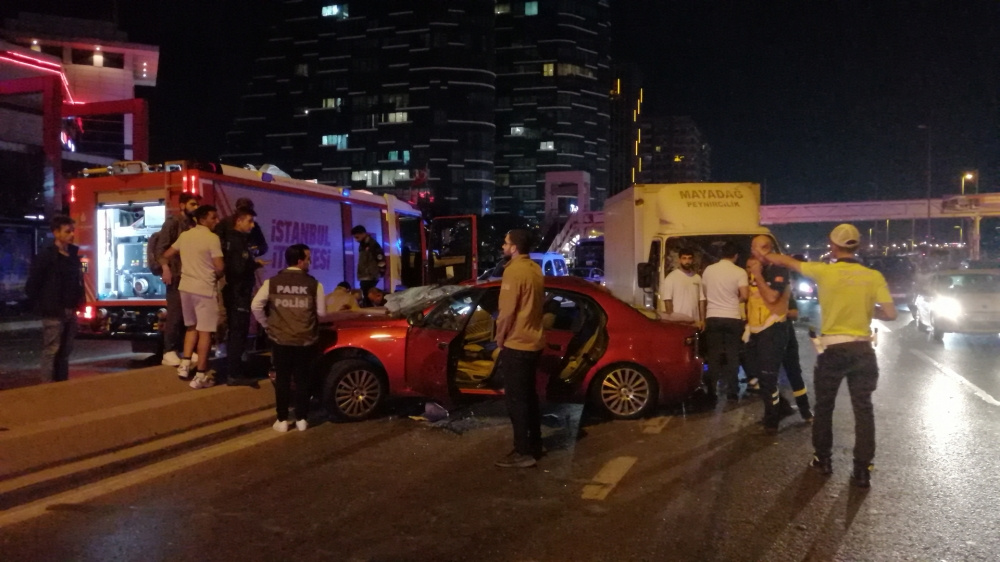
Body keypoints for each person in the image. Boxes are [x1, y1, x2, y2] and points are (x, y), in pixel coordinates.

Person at [761, 223, 896, 488]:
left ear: (833, 246)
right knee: (863, 409)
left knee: (824, 407)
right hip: (862, 350)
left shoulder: (823, 271)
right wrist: (867, 309)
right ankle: (862, 470)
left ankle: (823, 460)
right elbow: (891, 313)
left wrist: (765, 255)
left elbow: (787, 261)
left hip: (833, 350)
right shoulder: (873, 276)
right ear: (857, 246)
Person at [251, 244, 324, 432]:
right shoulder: (314, 284)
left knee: (282, 378)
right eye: (308, 258)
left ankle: (282, 420)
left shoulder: (272, 282)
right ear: (300, 261)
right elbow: (322, 313)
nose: (309, 262)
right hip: (306, 339)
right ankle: (302, 419)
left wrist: (267, 325)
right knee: (302, 378)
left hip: (280, 339)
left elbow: (256, 306)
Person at [493, 229, 545, 469]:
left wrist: (499, 339)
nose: (503, 246)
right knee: (529, 397)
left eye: (506, 243)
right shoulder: (535, 269)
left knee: (516, 401)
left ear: (514, 247)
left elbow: (506, 313)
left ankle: (523, 451)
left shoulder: (513, 272)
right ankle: (534, 444)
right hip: (534, 341)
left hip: (517, 343)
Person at [160, 205, 224, 389]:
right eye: (213, 217)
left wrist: (166, 268)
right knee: (205, 332)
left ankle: (185, 364)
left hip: (185, 288)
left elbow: (165, 255)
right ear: (203, 219)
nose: (216, 221)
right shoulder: (212, 238)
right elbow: (219, 266)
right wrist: (216, 274)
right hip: (204, 289)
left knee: (191, 327)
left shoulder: (185, 236)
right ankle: (201, 374)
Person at [25, 215, 84, 383]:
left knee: (65, 352)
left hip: (70, 310)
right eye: (67, 231)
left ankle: (61, 384)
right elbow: (33, 284)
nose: (71, 235)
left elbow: (79, 278)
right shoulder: (46, 256)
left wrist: (78, 302)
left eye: (72, 231)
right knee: (52, 350)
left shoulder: (73, 255)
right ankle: (48, 386)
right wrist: (44, 304)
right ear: (56, 233)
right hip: (53, 311)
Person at [745, 241, 795, 433]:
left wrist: (758, 275)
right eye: (754, 247)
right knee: (756, 375)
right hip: (755, 330)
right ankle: (782, 407)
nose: (756, 251)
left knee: (768, 377)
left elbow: (773, 297)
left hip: (773, 328)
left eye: (762, 247)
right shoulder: (755, 270)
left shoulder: (777, 270)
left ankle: (771, 421)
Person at [220, 207, 266, 386]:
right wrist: (253, 265)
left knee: (237, 331)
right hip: (238, 292)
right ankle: (234, 373)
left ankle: (235, 370)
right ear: (238, 221)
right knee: (238, 332)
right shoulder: (237, 241)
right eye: (249, 221)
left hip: (237, 291)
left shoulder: (236, 240)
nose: (252, 225)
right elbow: (238, 268)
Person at [155, 193, 201, 366]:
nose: (196, 208)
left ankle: (184, 349)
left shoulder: (192, 224)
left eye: (197, 205)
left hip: (189, 275)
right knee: (175, 314)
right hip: (175, 275)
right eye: (192, 204)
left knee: (188, 315)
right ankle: (169, 351)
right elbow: (161, 249)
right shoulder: (172, 223)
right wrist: (165, 269)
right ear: (182, 205)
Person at [700, 241, 749, 403]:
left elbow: (705, 292)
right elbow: (745, 295)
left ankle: (712, 391)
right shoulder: (739, 272)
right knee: (732, 355)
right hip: (732, 317)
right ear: (736, 256)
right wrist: (734, 300)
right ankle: (732, 392)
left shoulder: (709, 270)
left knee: (713, 355)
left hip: (713, 316)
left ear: (721, 254)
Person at [782, 297, 814, 423]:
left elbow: (794, 314)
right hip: (767, 339)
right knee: (768, 380)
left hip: (786, 338)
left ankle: (805, 411)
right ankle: (777, 411)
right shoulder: (754, 290)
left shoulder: (784, 290)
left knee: (794, 374)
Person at [659, 248, 706, 329]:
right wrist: (672, 321)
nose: (687, 261)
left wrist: (702, 320)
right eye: (684, 258)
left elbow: (701, 301)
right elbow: (668, 301)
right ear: (679, 260)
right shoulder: (671, 278)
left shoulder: (697, 278)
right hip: (679, 322)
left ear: (693, 260)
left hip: (695, 322)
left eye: (689, 258)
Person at [351, 225, 385, 306]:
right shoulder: (362, 245)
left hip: (370, 275)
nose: (356, 240)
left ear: (363, 234)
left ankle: (370, 309)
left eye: (357, 237)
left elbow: (380, 258)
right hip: (365, 275)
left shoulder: (372, 244)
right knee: (366, 295)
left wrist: (381, 272)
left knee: (369, 295)